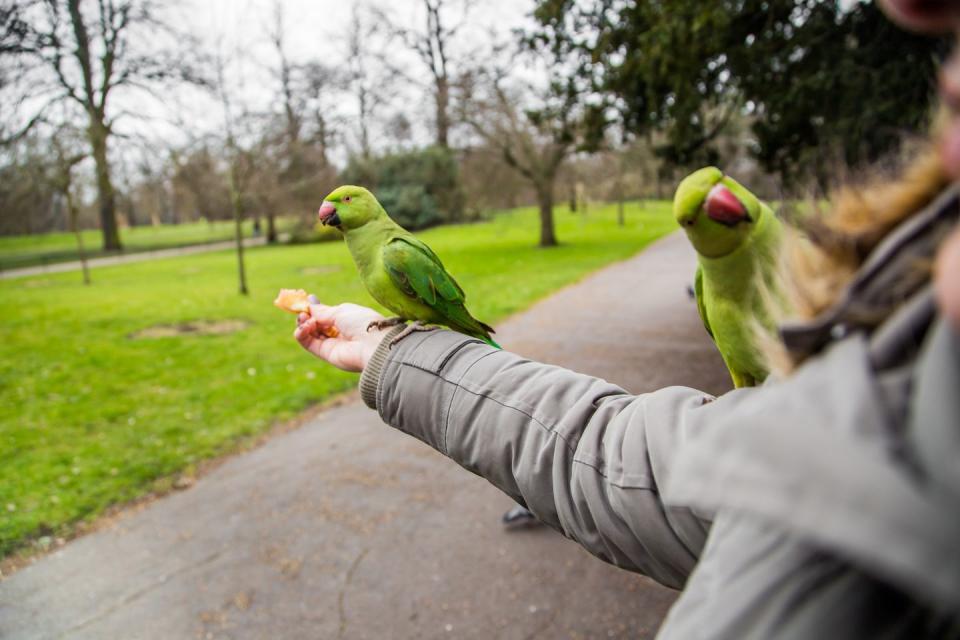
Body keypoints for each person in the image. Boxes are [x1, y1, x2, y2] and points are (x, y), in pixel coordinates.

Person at [292, 1, 960, 636]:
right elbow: (620, 462)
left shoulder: (400, 253)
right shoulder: (876, 384)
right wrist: (391, 350)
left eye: (343, 196)